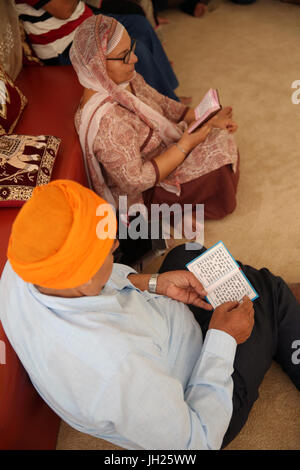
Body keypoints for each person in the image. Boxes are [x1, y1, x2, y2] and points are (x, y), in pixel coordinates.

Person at [1, 179, 299, 450]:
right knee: (270, 292)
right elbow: (197, 443)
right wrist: (223, 338)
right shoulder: (114, 370)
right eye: (107, 250)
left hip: (163, 333)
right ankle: (279, 315)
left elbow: (104, 283)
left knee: (187, 254)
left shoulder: (23, 264)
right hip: (203, 402)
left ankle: (272, 319)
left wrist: (153, 282)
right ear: (82, 277)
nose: (117, 243)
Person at [70, 14, 239, 221]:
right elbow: (136, 181)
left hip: (166, 149)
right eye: (124, 56)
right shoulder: (108, 123)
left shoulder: (124, 80)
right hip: (149, 189)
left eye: (131, 47)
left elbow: (165, 106)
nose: (135, 58)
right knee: (219, 166)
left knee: (219, 137)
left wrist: (208, 117)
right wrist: (185, 145)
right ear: (97, 66)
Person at [14, 0, 180, 100]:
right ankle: (169, 114)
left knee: (139, 23)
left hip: (85, 19)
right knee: (136, 52)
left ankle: (169, 96)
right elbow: (64, 10)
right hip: (62, 44)